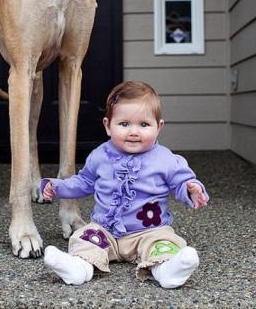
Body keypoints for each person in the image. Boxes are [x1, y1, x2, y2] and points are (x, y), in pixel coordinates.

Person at [42, 79, 209, 287]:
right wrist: (57, 186)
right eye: (124, 124)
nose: (133, 131)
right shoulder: (100, 156)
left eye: (144, 124)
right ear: (108, 126)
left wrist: (192, 190)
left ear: (159, 127)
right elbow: (83, 182)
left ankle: (168, 270)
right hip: (106, 231)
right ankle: (78, 268)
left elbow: (181, 181)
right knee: (85, 237)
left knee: (164, 243)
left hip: (149, 231)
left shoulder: (166, 159)